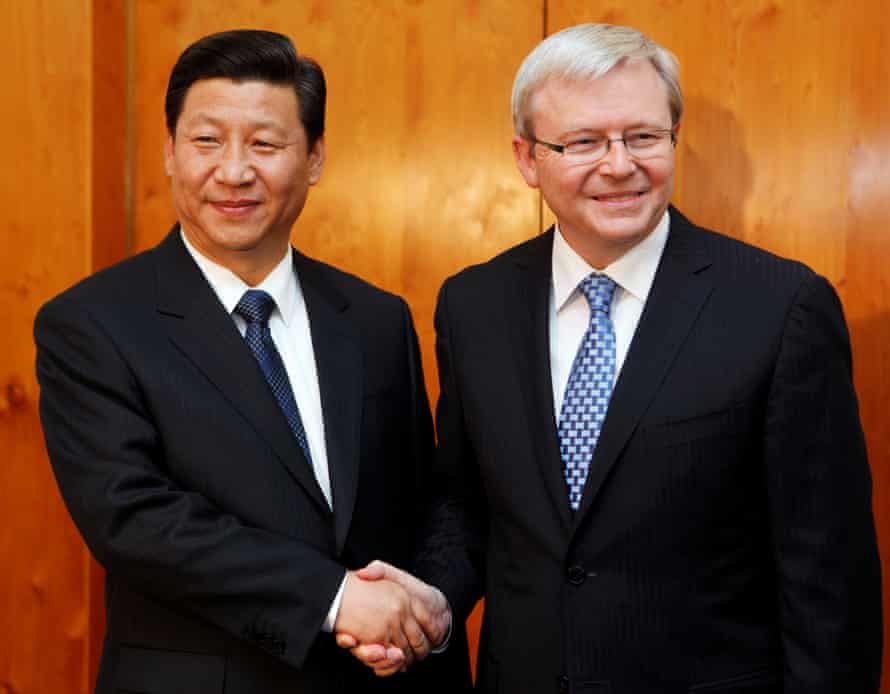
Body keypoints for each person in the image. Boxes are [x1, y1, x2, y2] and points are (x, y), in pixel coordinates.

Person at [348, 22, 882, 693]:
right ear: (526, 157)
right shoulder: (473, 305)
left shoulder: (780, 307)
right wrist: (436, 600)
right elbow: (467, 503)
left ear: (672, 138)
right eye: (583, 142)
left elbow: (827, 574)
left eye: (642, 136)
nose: (620, 164)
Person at [35, 29, 469, 693]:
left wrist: (432, 604)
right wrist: (333, 597)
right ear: (170, 153)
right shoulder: (93, 324)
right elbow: (135, 520)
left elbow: (423, 499)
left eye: (265, 144)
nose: (234, 171)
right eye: (206, 141)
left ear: (315, 156)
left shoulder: (376, 319)